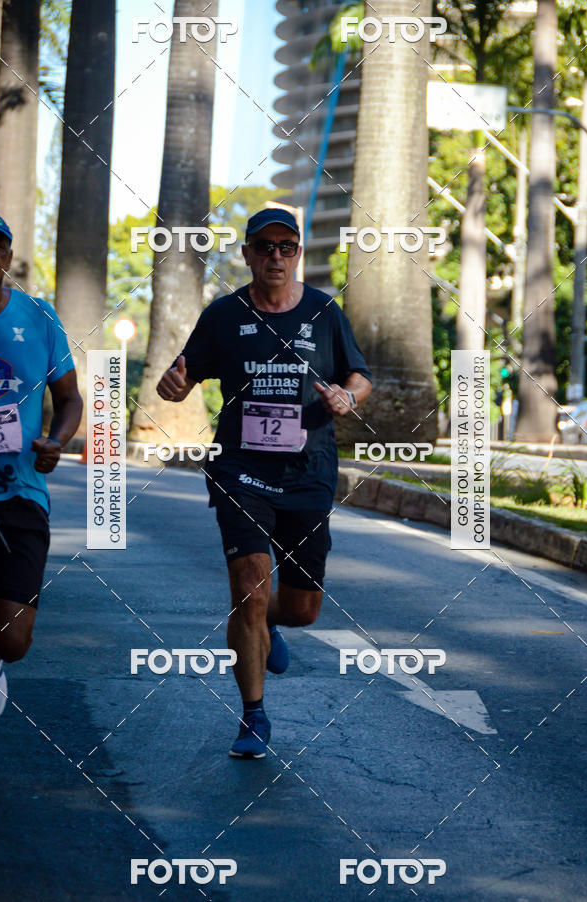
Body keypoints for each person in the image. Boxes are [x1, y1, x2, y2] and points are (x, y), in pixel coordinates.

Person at [157, 207, 372, 758]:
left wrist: (347, 397)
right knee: (249, 590)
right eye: (265, 246)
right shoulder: (224, 316)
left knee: (301, 609)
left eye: (287, 246)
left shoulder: (324, 311)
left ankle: (262, 620)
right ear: (247, 254)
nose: (276, 255)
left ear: (297, 253)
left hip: (308, 472)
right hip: (240, 472)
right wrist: (173, 384)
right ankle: (253, 716)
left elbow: (360, 375)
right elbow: (180, 381)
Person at [0, 212, 82, 723]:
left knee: (13, 638)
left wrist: (57, 441)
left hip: (20, 493)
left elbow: (69, 399)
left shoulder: (38, 318)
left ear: (7, 256)